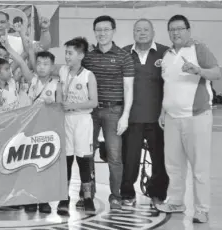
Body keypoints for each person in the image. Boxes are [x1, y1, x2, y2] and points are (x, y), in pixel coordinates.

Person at [155, 15, 221, 224]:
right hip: (172, 119)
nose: (176, 33)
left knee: (199, 167)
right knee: (173, 166)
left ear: (188, 30)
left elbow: (217, 73)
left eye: (180, 29)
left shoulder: (198, 48)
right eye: (172, 29)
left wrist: (198, 70)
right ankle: (176, 201)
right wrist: (164, 111)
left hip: (197, 116)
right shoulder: (166, 55)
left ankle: (202, 209)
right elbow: (169, 86)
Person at [82, 15, 135, 210]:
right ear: (94, 32)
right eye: (98, 30)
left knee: (114, 156)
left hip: (115, 111)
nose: (102, 33)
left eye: (106, 29)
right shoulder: (87, 56)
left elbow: (129, 88)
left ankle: (116, 196)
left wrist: (125, 116)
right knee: (86, 153)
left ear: (113, 31)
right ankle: (88, 195)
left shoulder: (123, 56)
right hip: (90, 112)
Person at [120, 19, 170, 207]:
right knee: (129, 159)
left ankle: (157, 194)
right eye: (138, 30)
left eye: (146, 29)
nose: (142, 33)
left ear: (153, 32)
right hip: (132, 118)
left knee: (159, 159)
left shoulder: (165, 52)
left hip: (158, 117)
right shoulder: (124, 53)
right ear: (133, 32)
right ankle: (127, 193)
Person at [53, 37, 99, 215]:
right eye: (66, 52)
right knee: (66, 159)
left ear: (81, 55)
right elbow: (58, 92)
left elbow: (94, 102)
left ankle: (87, 198)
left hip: (82, 120)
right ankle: (64, 197)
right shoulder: (62, 71)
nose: (67, 56)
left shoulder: (88, 75)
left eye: (70, 53)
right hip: (66, 120)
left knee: (83, 160)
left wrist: (73, 106)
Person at [0, 38, 32, 115]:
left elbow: (23, 58)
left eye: (6, 57)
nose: (1, 59)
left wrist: (22, 34)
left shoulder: (11, 79)